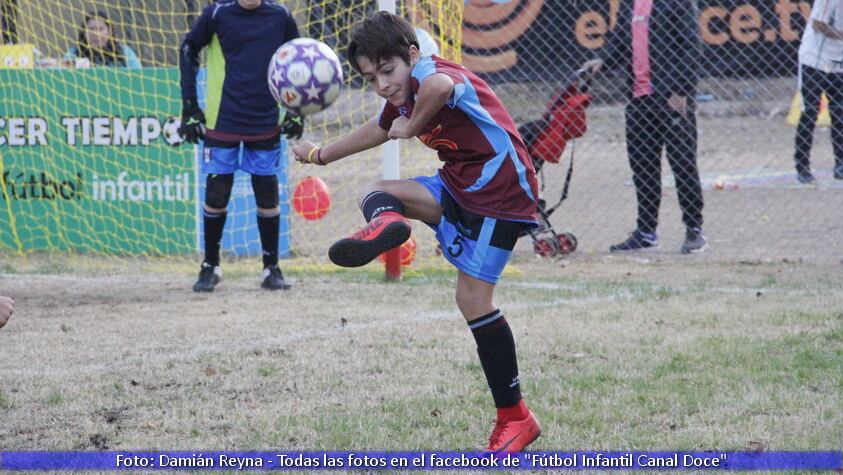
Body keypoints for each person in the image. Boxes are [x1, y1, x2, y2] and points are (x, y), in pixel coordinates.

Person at [292, 12, 542, 452]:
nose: (383, 84)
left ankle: (516, 419)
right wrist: (320, 155)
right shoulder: (403, 93)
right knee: (377, 191)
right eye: (371, 78)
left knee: (472, 300)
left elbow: (440, 89)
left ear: (411, 55)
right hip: (461, 182)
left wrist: (412, 125)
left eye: (388, 71)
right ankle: (389, 223)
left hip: (501, 189)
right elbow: (379, 128)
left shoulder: (430, 71)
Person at [179, 0, 304, 292]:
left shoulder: (281, 16)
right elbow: (188, 49)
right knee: (217, 190)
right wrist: (189, 106)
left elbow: (300, 63)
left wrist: (298, 111)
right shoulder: (217, 13)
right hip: (222, 119)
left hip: (265, 119)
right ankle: (210, 266)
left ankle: (271, 268)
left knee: (266, 191)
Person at [582, 0, 706, 254]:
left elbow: (691, 47)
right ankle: (646, 232)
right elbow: (620, 42)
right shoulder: (631, 4)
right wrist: (602, 60)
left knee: (682, 163)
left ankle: (694, 230)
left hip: (670, 97)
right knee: (644, 167)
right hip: (639, 100)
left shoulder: (677, 4)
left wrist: (682, 90)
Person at [793, 0, 843, 184]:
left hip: (839, 62)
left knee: (840, 113)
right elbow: (818, 23)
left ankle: (840, 165)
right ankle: (802, 166)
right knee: (810, 112)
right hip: (814, 60)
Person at [64, 11, 141, 68]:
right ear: (84, 32)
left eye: (101, 29)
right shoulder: (73, 54)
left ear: (109, 32)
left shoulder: (125, 53)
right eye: (91, 29)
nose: (96, 33)